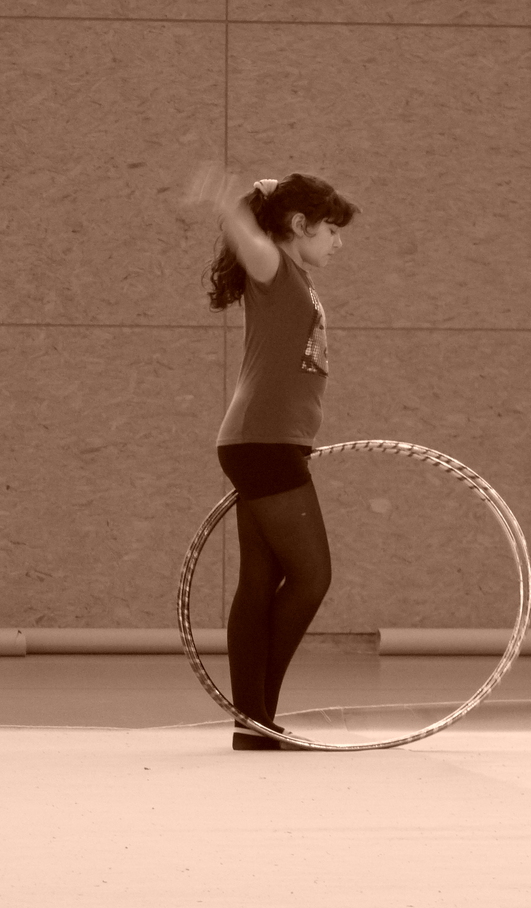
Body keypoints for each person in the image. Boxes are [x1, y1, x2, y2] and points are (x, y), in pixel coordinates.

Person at [187, 164, 360, 750]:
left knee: (260, 581)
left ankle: (254, 723)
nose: (338, 243)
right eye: (331, 230)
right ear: (299, 224)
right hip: (265, 442)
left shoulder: (295, 278)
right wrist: (227, 202)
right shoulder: (274, 268)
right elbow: (250, 239)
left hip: (262, 442)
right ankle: (256, 714)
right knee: (312, 577)